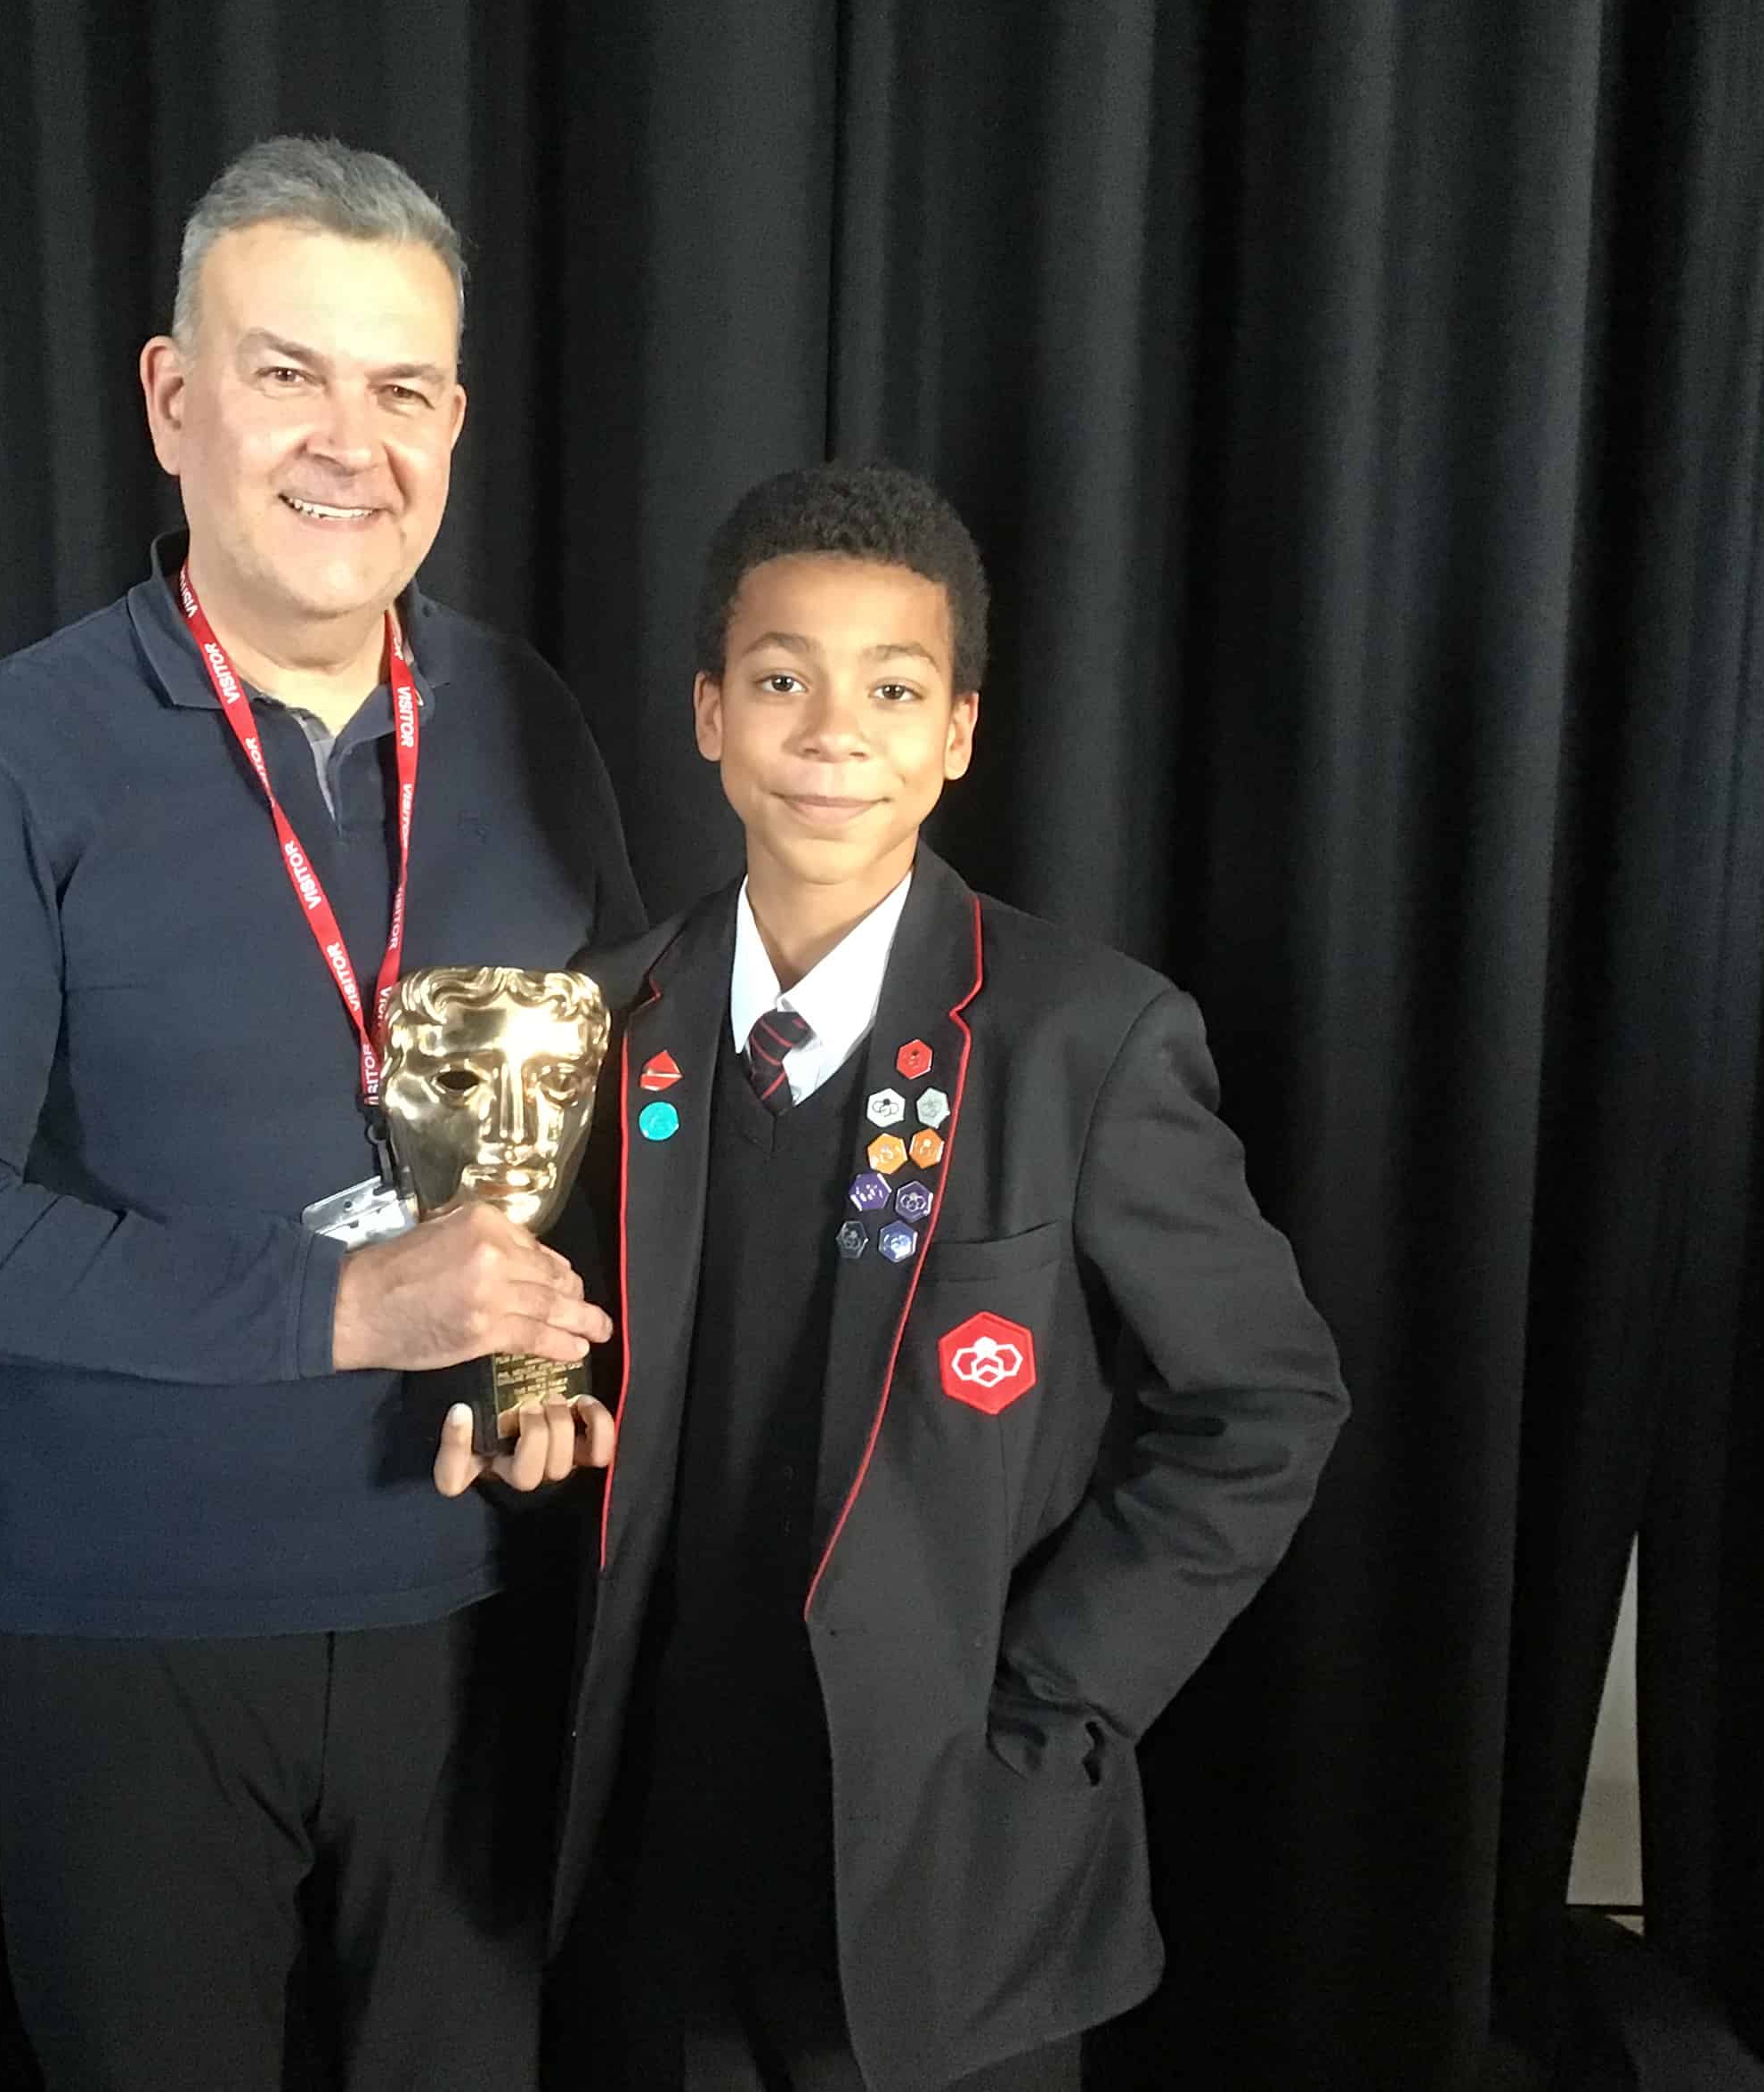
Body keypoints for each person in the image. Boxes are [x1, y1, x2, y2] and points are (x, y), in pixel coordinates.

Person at [0, 135, 637, 2092]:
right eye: (288, 374)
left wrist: (561, 1375)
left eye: (402, 387)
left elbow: (615, 1134)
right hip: (132, 1652)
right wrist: (338, 1309)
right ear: (174, 402)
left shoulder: (529, 724)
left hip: (482, 1638)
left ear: (452, 427)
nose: (348, 441)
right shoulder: (24, 749)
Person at [513, 463, 1348, 2090]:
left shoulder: (1083, 1038)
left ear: (959, 730)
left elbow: (1264, 1405)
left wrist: (1052, 1699)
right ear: (708, 714)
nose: (835, 732)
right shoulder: (600, 1025)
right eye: (780, 681)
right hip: (660, 1850)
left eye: (893, 688)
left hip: (953, 1855)